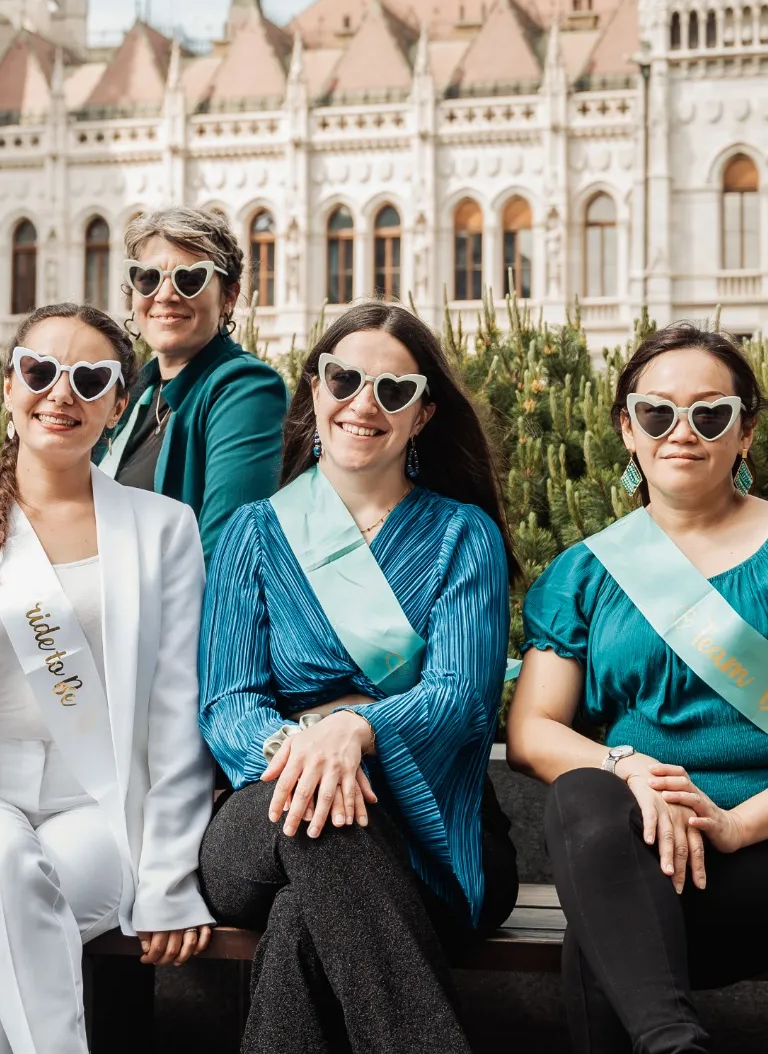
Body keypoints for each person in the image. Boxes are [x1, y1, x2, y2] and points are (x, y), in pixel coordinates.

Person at [506, 323, 768, 1054]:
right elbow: (533, 732)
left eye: (710, 413)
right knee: (583, 793)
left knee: (603, 939)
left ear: (744, 433)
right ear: (627, 430)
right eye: (657, 412)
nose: (681, 432)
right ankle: (673, 1044)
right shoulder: (585, 573)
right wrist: (628, 768)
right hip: (647, 847)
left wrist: (737, 825)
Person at [0, 302, 217, 1054]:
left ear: (120, 403)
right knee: (3, 862)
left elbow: (176, 719)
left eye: (91, 379)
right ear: (9, 387)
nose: (63, 393)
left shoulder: (164, 531)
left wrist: (168, 876)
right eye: (41, 371)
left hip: (101, 810)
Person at [197, 300, 521, 1054]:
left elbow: (460, 698)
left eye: (394, 390)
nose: (363, 404)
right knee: (324, 813)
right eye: (345, 379)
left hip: (438, 829)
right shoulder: (254, 532)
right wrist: (312, 748)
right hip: (265, 814)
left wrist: (356, 726)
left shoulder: (460, 535)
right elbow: (227, 704)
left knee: (306, 920)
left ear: (424, 413)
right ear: (313, 389)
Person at [100, 206, 288, 560]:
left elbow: (225, 556)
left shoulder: (247, 391)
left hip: (173, 613)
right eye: (148, 278)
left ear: (229, 295)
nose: (166, 294)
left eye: (189, 278)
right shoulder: (132, 392)